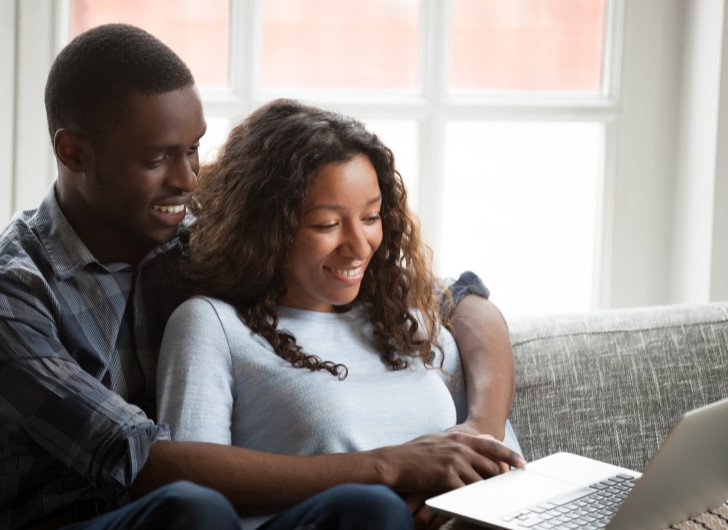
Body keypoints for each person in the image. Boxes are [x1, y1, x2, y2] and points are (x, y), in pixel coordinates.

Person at [0, 23, 523, 530]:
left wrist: (479, 435)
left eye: (193, 149)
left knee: (367, 509)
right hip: (80, 519)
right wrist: (392, 464)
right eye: (157, 158)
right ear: (73, 153)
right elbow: (141, 464)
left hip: (206, 513)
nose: (188, 179)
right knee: (194, 509)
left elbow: (460, 301)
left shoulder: (198, 231)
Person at [156, 99, 523, 530]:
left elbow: (500, 463)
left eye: (371, 217)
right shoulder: (212, 325)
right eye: (327, 225)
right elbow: (194, 493)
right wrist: (392, 470)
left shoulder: (402, 316)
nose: (359, 246)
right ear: (266, 229)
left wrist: (469, 460)